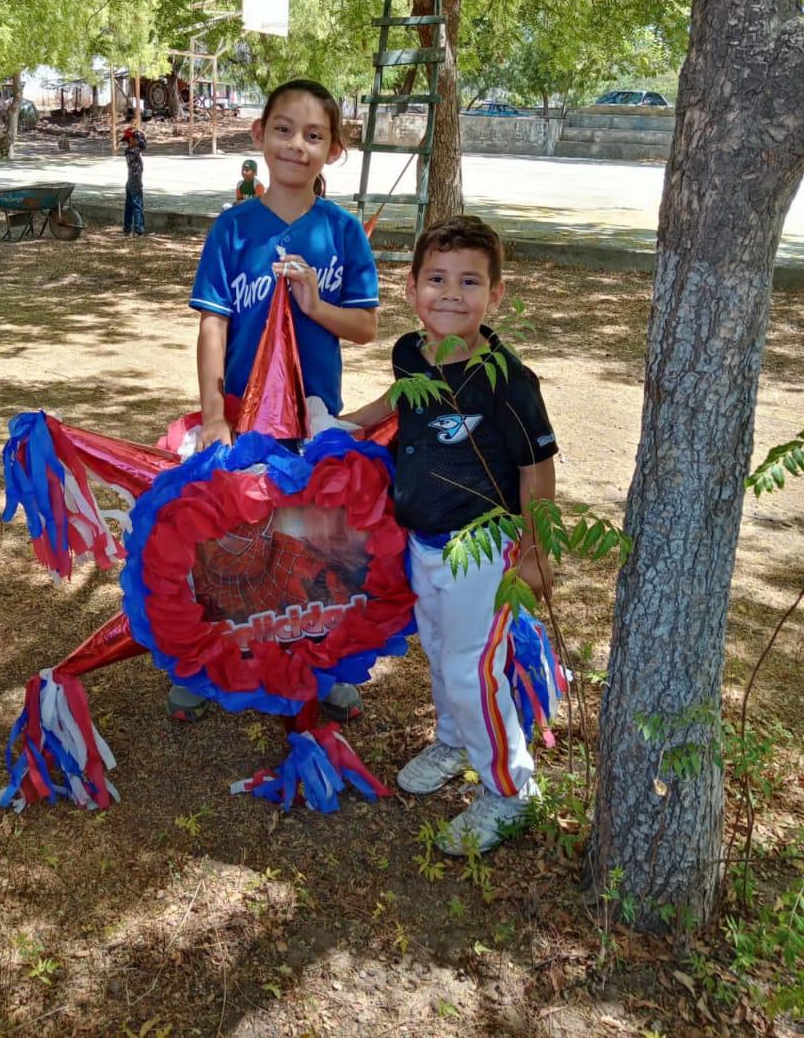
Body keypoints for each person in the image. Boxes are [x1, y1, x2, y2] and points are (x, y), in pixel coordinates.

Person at [344, 215, 559, 855]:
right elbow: (400, 400)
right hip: (425, 542)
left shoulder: (509, 382)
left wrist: (535, 555)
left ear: (495, 294)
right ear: (411, 288)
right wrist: (345, 426)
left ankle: (511, 789)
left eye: (470, 281)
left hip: (483, 549)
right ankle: (456, 740)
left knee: (471, 669)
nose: (451, 294)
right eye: (436, 279)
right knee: (440, 652)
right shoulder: (411, 352)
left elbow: (536, 468)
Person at [169, 78, 380, 725]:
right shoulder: (233, 228)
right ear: (260, 134)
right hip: (241, 418)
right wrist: (213, 415)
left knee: (312, 541)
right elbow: (213, 324)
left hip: (313, 419)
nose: (296, 145)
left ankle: (319, 662)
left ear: (334, 150)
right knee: (230, 538)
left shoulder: (343, 231)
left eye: (314, 135)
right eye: (284, 129)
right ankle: (210, 661)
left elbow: (366, 326)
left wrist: (315, 304)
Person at [121, 126, 147, 236]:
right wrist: (141, 133)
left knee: (129, 206)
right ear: (131, 140)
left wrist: (137, 133)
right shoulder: (133, 151)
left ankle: (127, 229)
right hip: (135, 180)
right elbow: (144, 145)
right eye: (134, 138)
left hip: (131, 180)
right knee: (137, 205)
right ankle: (138, 229)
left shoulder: (129, 151)